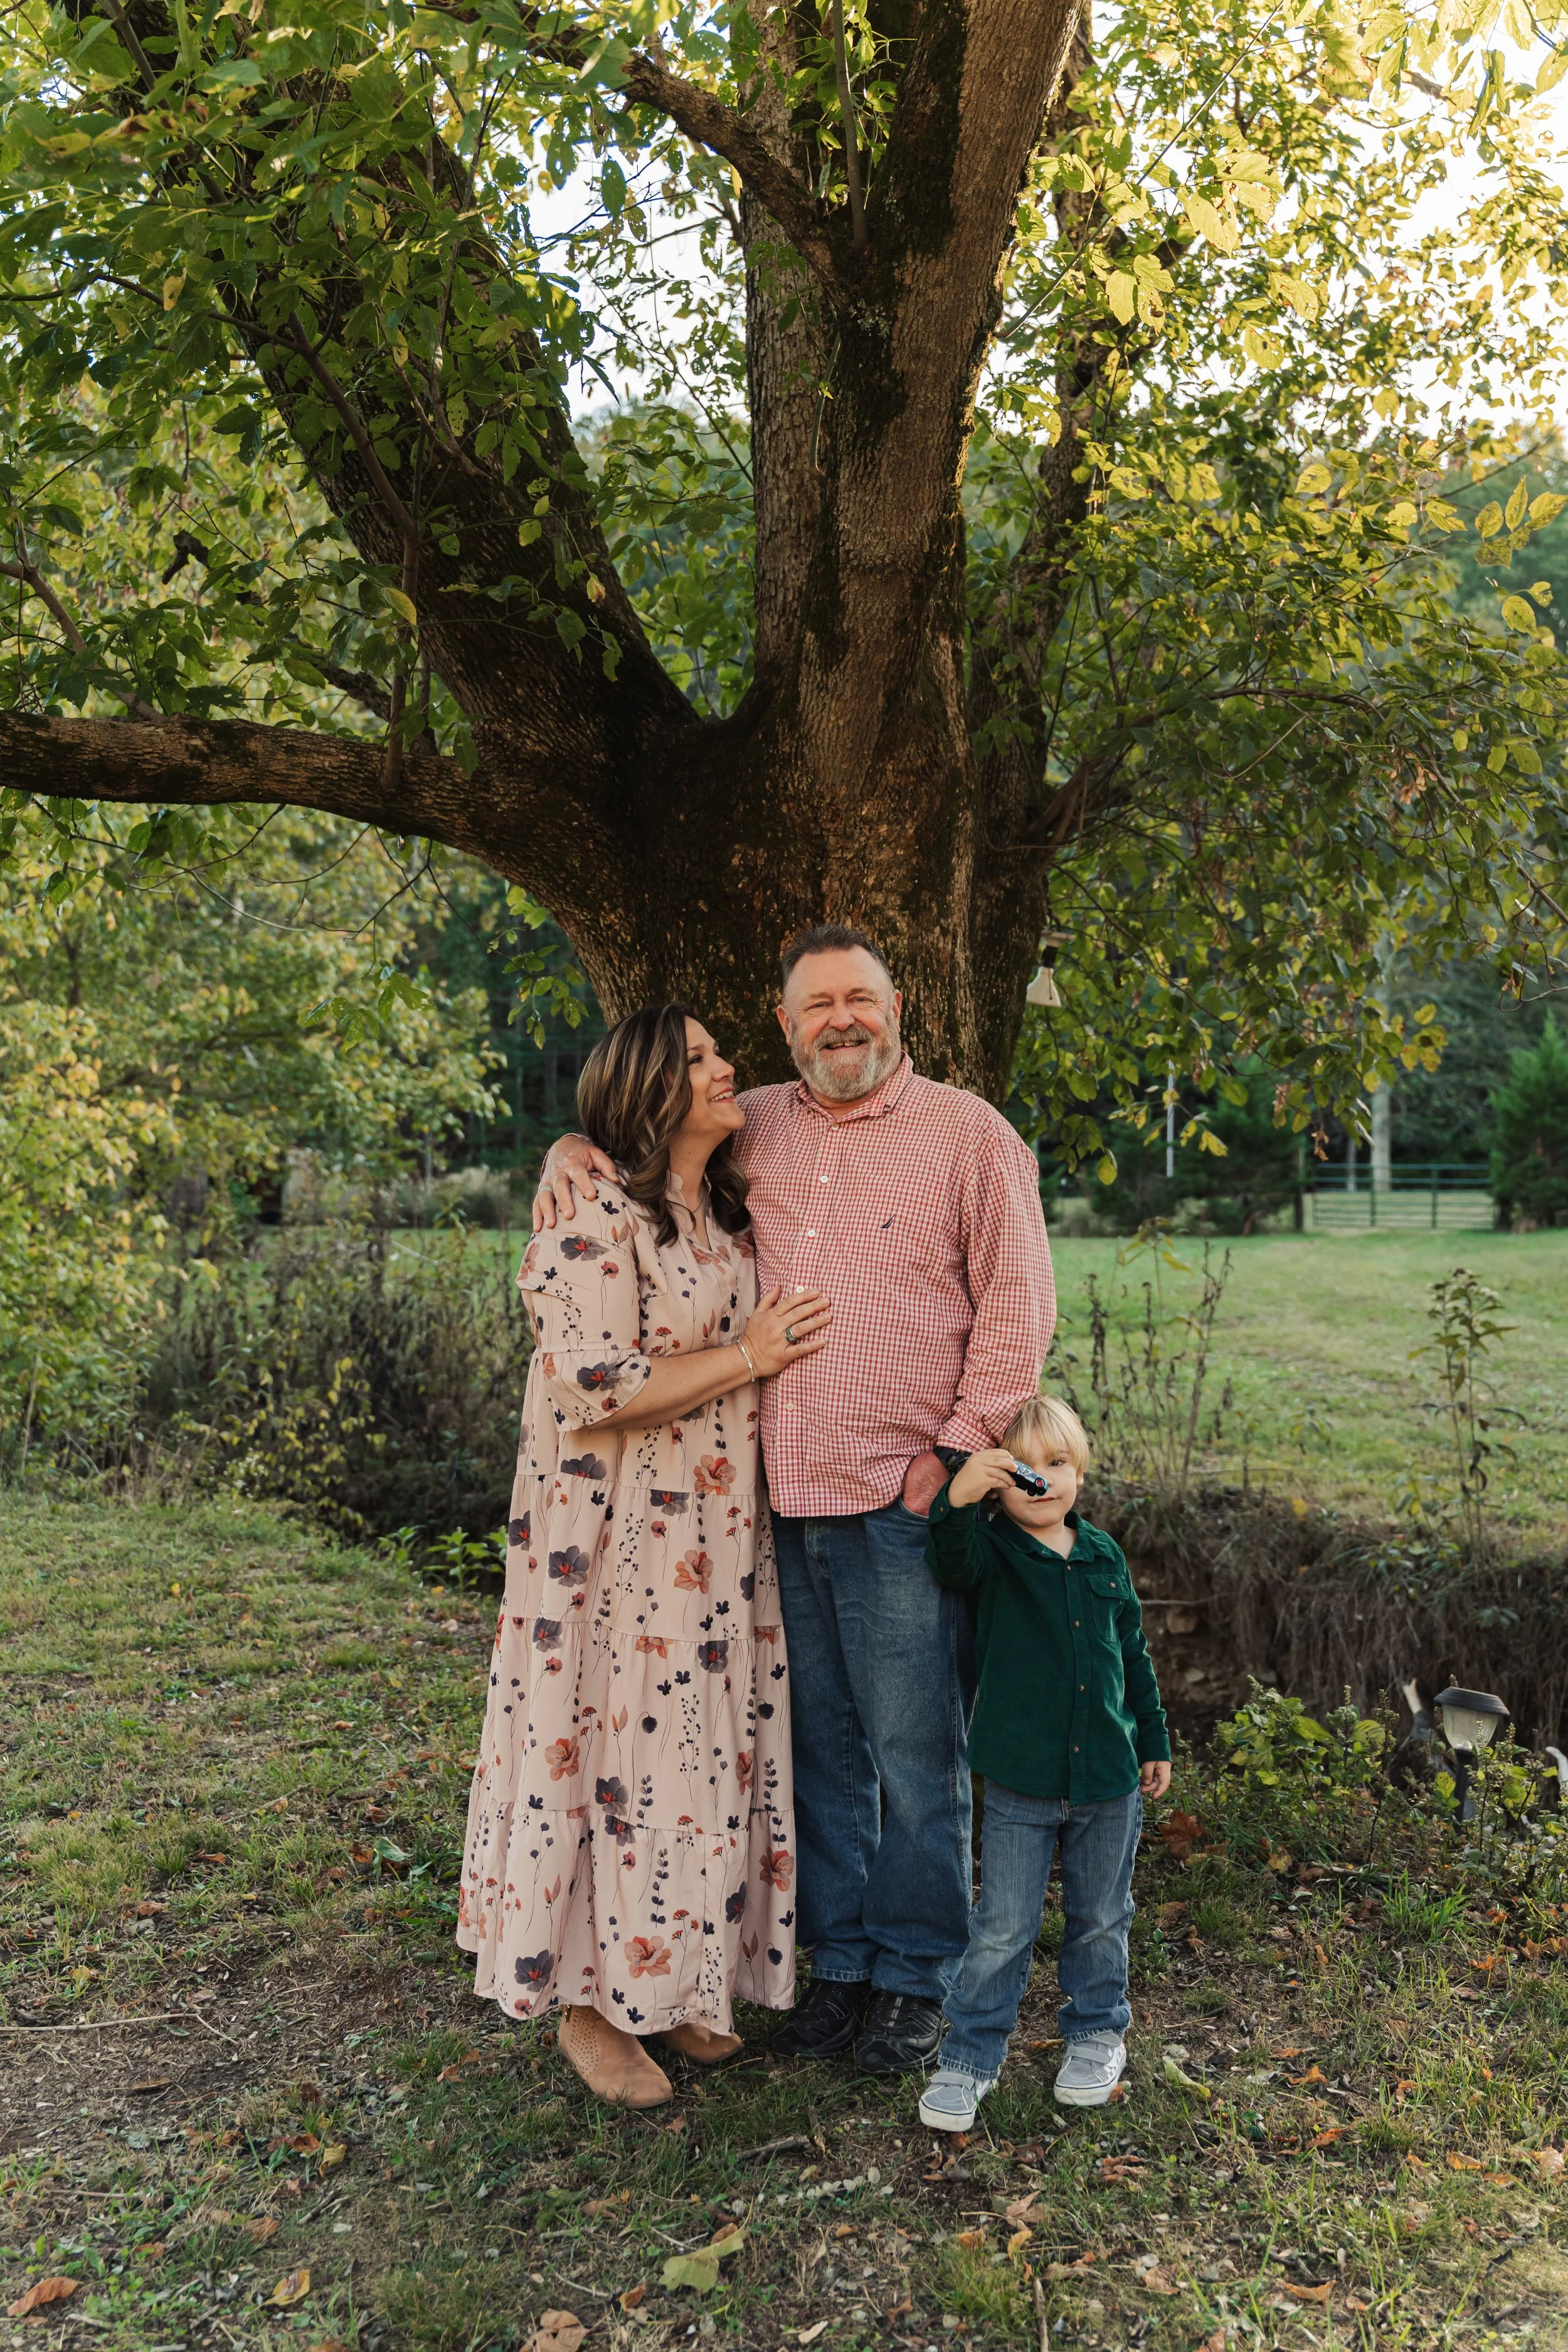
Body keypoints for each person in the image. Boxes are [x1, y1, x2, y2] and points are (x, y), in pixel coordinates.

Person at [532, 927, 1054, 2075]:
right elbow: (633, 1144)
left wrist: (955, 1452)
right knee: (811, 1753)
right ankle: (846, 1966)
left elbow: (1019, 1312)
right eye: (817, 1006)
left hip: (894, 1498)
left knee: (917, 1751)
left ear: (899, 1006)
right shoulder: (752, 1119)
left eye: (860, 1000)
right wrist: (566, 1145)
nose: (841, 1022)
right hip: (762, 1509)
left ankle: (918, 1978)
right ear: (785, 1025)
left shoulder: (970, 1137)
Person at [458, 1005, 833, 2108]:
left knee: (688, 1766)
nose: (730, 1072)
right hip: (609, 1550)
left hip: (714, 1547)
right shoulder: (592, 1221)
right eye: (705, 1060)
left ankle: (668, 1985)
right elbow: (596, 1385)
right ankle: (584, 2006)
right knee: (605, 1764)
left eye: (724, 1054)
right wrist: (746, 1355)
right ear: (655, 1091)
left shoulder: (721, 1217)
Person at [915, 1394, 1172, 2129]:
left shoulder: (1102, 1555)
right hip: (1022, 1783)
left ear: (1080, 1473)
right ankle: (968, 2056)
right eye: (1023, 1468)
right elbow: (950, 1560)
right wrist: (957, 1499)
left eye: (1057, 1464)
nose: (1042, 1481)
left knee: (1099, 1916)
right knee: (1001, 1924)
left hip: (1108, 1781)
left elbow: (1132, 1655)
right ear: (1000, 1480)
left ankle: (1095, 2033)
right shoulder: (994, 1550)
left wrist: (1151, 1738)